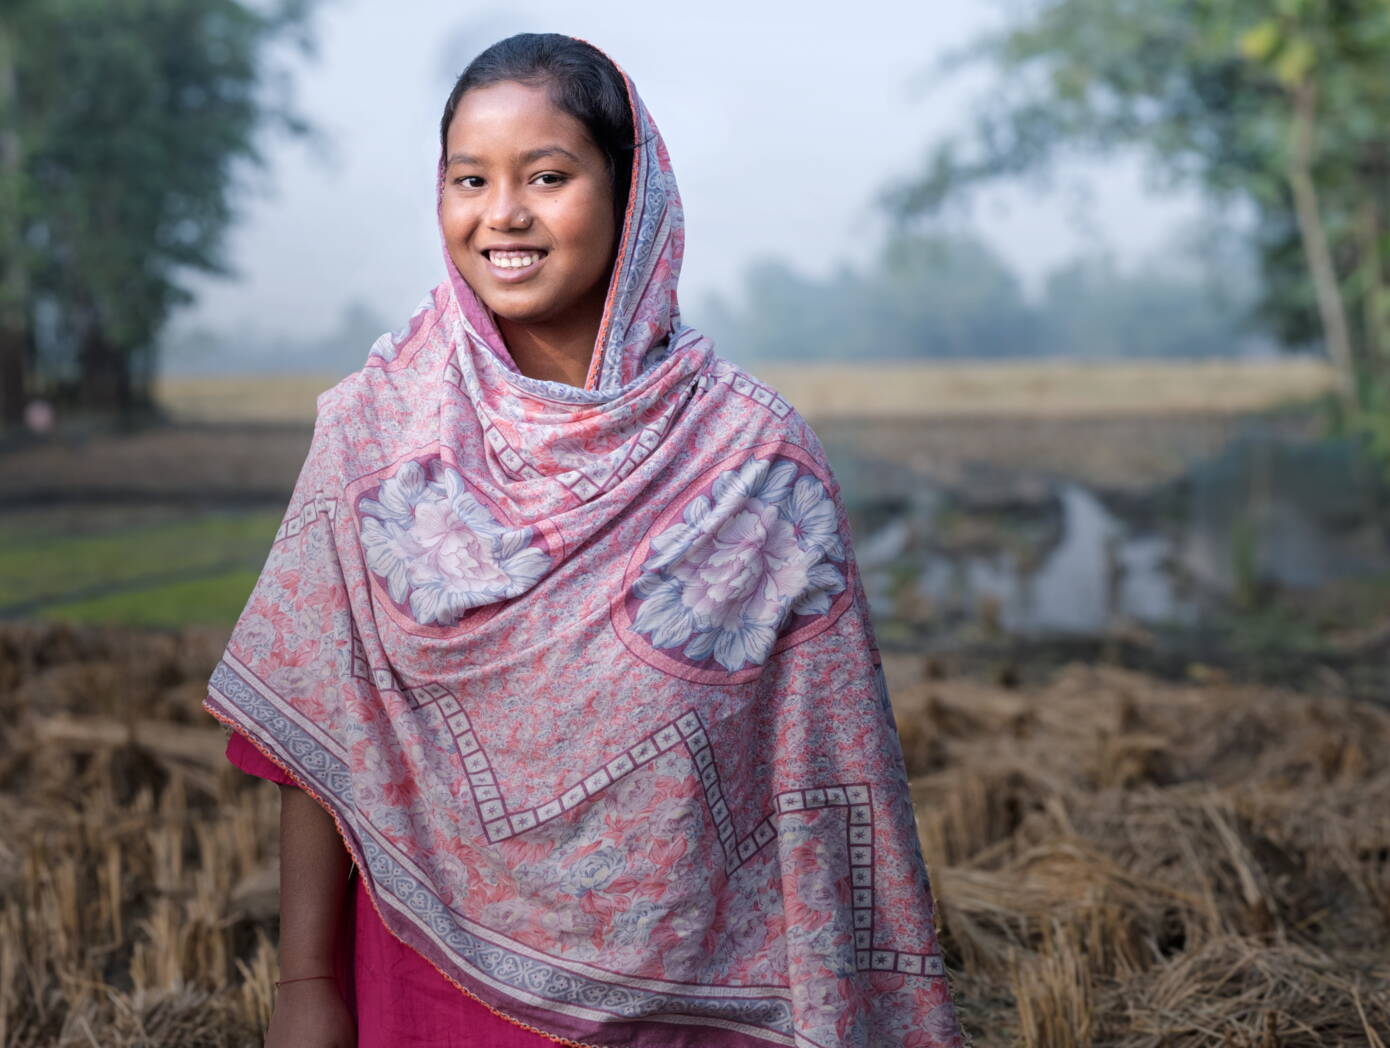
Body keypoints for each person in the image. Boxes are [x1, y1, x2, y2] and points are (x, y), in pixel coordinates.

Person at [207, 32, 964, 1048]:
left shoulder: (753, 461)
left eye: (547, 176)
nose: (502, 213)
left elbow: (830, 778)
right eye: (469, 178)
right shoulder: (374, 433)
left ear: (632, 192)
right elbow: (316, 732)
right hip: (425, 986)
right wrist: (306, 979)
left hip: (691, 1007)